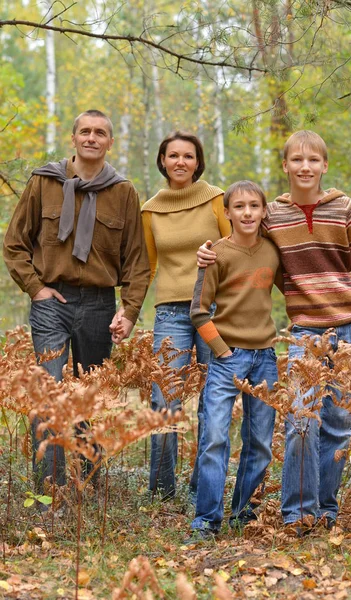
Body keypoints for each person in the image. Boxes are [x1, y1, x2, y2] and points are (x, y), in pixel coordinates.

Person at [197, 130, 351, 532]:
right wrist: (207, 250)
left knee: (338, 425)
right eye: (296, 160)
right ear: (285, 166)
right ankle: (297, 514)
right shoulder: (273, 215)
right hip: (303, 333)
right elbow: (244, 244)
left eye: (313, 160)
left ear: (324, 166)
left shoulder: (346, 209)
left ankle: (325, 511)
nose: (305, 167)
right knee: (301, 420)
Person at [3, 109, 150, 493]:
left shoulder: (123, 191)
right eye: (85, 131)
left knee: (90, 397)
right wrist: (35, 288)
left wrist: (129, 310)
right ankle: (50, 491)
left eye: (100, 132)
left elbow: (137, 259)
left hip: (99, 304)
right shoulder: (44, 181)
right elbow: (15, 243)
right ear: (73, 138)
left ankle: (88, 488)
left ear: (110, 142)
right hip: (52, 300)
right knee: (48, 394)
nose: (91, 137)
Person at [140, 130, 231, 501]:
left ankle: (205, 488)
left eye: (188, 156)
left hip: (213, 309)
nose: (180, 162)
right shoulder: (150, 209)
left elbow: (235, 249)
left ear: (198, 162)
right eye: (173, 155)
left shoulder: (216, 199)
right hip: (171, 314)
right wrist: (127, 309)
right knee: (165, 398)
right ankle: (161, 492)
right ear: (162, 160)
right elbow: (147, 266)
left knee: (215, 397)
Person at [188, 180, 280, 540]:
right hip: (229, 358)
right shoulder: (216, 254)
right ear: (226, 213)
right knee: (214, 438)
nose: (247, 213)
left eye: (254, 206)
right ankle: (207, 519)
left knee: (259, 441)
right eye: (239, 207)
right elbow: (198, 311)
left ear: (263, 211)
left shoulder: (273, 251)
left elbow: (293, 287)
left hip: (266, 358)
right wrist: (222, 351)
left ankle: (244, 514)